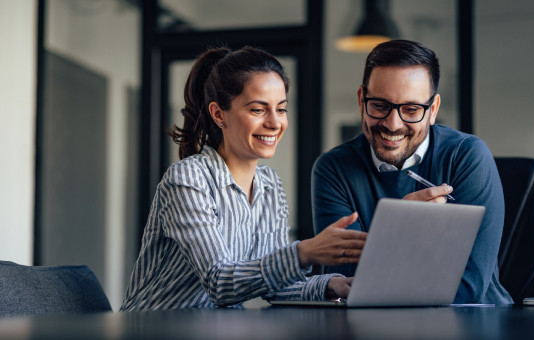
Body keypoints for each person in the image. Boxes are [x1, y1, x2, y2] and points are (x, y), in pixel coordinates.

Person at [121, 46, 367, 312]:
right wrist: (303, 253)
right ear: (218, 114)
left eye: (281, 109)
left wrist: (332, 285)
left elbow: (275, 283)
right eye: (258, 110)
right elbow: (219, 282)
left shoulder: (270, 185)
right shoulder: (187, 179)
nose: (275, 123)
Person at [311, 40, 513, 305]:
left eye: (411, 109)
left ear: (433, 110)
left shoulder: (468, 156)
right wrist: (400, 228)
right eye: (380, 106)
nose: (393, 124)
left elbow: (468, 286)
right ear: (362, 100)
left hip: (474, 322)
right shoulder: (333, 170)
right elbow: (348, 285)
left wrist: (385, 255)